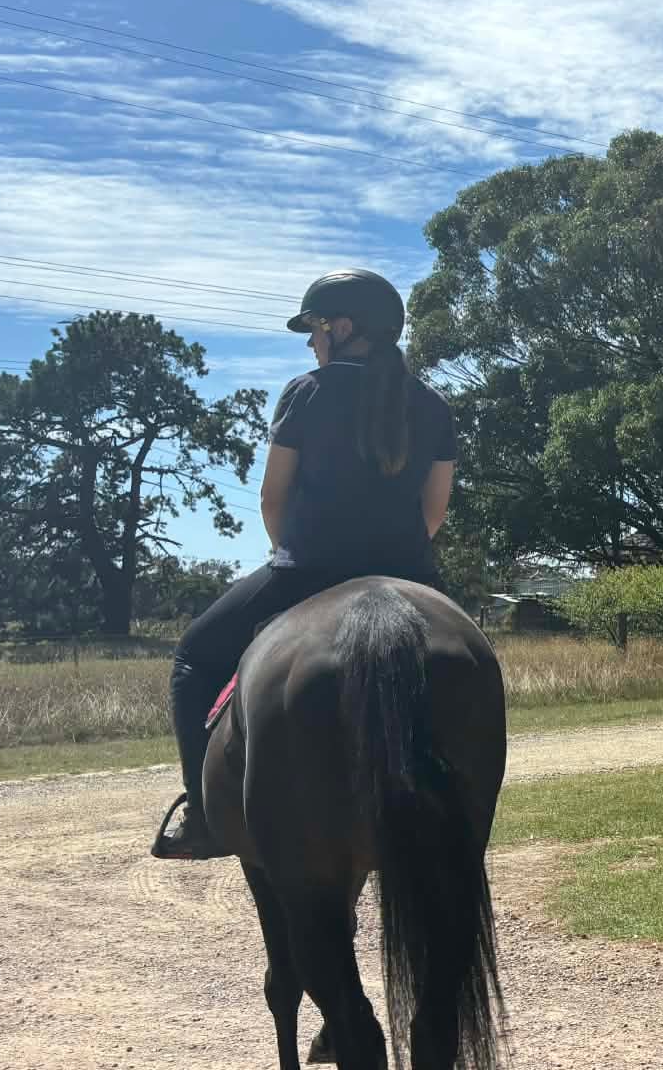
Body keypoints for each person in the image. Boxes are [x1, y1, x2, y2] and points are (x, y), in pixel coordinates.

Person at [152, 268, 458, 859]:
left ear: (344, 328)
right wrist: (394, 556)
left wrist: (290, 554)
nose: (310, 342)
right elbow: (435, 508)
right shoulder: (431, 404)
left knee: (193, 657)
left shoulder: (307, 392)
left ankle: (203, 815)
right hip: (410, 575)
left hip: (307, 570)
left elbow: (274, 499)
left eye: (314, 329)